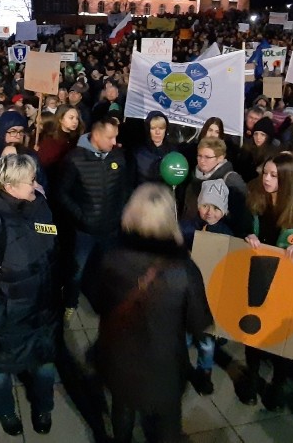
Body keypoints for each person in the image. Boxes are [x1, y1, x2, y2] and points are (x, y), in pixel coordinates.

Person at [85, 183, 213, 443]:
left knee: (122, 407)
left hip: (119, 359)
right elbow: (199, 323)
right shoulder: (185, 269)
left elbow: (97, 303)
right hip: (164, 366)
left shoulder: (109, 256)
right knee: (167, 423)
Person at [0, 154, 60, 436]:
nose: (35, 185)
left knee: (44, 368)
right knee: (1, 371)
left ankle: (43, 409)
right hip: (8, 316)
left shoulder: (39, 204)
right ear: (10, 185)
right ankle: (6, 412)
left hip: (42, 311)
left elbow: (51, 244)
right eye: (30, 180)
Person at [239, 153, 293, 410]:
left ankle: (277, 385)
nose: (267, 179)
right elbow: (241, 226)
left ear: (288, 180)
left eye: (274, 175)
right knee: (252, 333)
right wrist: (247, 234)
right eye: (266, 173)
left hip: (285, 285)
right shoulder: (255, 200)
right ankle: (251, 379)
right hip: (258, 279)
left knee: (281, 341)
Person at [57, 117, 129, 318]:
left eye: (116, 137)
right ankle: (70, 303)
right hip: (84, 232)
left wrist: (118, 213)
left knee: (107, 271)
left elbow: (124, 190)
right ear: (96, 136)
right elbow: (62, 193)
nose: (114, 142)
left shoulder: (118, 158)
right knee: (76, 271)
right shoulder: (74, 159)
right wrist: (81, 216)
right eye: (110, 137)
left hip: (111, 229)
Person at [179, 179, 233, 396]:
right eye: (205, 206)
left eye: (217, 208)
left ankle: (204, 372)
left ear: (225, 211)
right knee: (183, 338)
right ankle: (179, 368)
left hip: (211, 300)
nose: (210, 212)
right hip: (187, 295)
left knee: (207, 341)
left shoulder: (226, 233)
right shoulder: (185, 227)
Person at [182, 138, 250, 238]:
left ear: (220, 158)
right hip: (192, 234)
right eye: (199, 156)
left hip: (220, 237)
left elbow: (241, 215)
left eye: (207, 157)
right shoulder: (193, 176)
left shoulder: (231, 180)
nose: (202, 160)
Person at [133, 111, 175, 186]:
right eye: (153, 128)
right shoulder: (138, 153)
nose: (157, 132)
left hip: (164, 195)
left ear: (166, 130)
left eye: (161, 128)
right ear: (148, 130)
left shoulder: (173, 152)